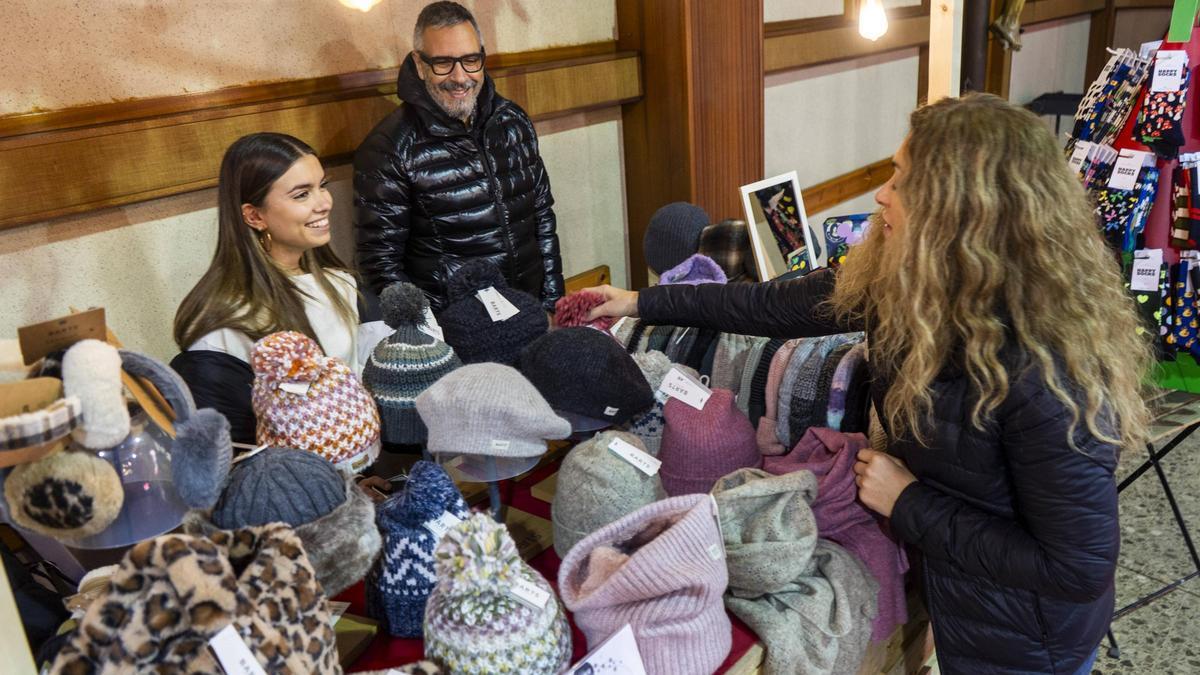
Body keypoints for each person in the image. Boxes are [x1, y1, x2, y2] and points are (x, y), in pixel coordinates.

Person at [585, 93, 1151, 675]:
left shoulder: (1047, 372)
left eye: (901, 181)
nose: (882, 194)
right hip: (965, 604)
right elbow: (767, 306)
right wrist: (640, 301)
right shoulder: (910, 284)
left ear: (958, 209)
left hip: (1027, 642)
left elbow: (1076, 568)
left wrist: (908, 502)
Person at [171, 132, 392, 498]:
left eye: (322, 186)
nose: (324, 203)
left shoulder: (340, 285)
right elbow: (234, 461)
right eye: (302, 194)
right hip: (291, 501)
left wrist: (354, 481)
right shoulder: (228, 325)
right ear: (254, 215)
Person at [354, 1, 564, 313]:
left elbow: (542, 218)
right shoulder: (389, 147)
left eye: (470, 60)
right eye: (443, 63)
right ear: (419, 64)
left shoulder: (512, 121)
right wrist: (430, 333)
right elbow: (381, 265)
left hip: (530, 311)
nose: (460, 77)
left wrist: (552, 306)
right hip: (453, 326)